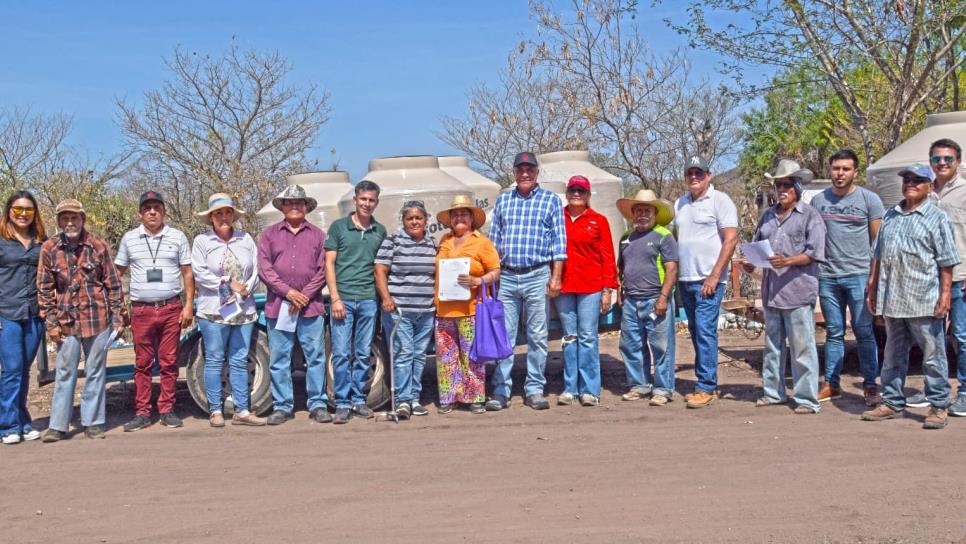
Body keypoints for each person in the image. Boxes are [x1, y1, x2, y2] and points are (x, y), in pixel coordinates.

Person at [862, 164, 959, 430]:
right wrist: (872, 286)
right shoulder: (891, 215)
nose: (910, 184)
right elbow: (878, 255)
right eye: (907, 180)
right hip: (894, 299)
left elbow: (947, 262)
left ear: (930, 186)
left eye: (918, 180)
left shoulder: (937, 218)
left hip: (924, 299)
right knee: (892, 355)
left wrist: (946, 294)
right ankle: (892, 402)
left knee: (932, 355)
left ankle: (938, 405)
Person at [743, 160, 826, 414]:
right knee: (773, 347)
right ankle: (773, 393)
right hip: (772, 291)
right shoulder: (767, 217)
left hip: (799, 291)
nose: (782, 189)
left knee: (803, 347)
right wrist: (751, 264)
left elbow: (815, 252)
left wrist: (788, 260)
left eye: (787, 185)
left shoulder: (811, 216)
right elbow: (758, 246)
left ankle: (806, 399)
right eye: (778, 184)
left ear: (797, 187)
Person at [487, 152, 567, 411]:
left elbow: (559, 243)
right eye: (520, 169)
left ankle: (534, 389)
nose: (525, 174)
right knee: (505, 337)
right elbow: (495, 242)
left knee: (537, 336)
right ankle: (501, 391)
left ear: (536, 173)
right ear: (514, 172)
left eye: (529, 169)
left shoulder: (550, 200)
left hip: (537, 274)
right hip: (507, 276)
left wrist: (555, 277)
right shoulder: (503, 201)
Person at [38, 199, 124, 442]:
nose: (70, 222)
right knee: (65, 372)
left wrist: (117, 318)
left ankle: (93, 422)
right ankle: (58, 425)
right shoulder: (50, 248)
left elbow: (114, 285)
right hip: (67, 322)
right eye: (64, 218)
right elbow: (44, 289)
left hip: (98, 321)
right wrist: (51, 323)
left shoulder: (98, 246)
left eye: (74, 217)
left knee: (96, 371)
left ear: (82, 219)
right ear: (58, 221)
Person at [115, 191, 194, 432]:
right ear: (140, 213)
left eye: (157, 207)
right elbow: (116, 274)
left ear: (164, 212)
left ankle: (167, 410)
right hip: (141, 311)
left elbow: (187, 272)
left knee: (169, 362)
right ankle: (141, 412)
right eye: (147, 208)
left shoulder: (177, 237)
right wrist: (120, 307)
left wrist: (188, 304)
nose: (152, 212)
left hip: (171, 308)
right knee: (143, 363)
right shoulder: (129, 239)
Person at [810, 150, 884, 406]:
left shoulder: (869, 200)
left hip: (859, 276)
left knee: (864, 332)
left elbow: (878, 243)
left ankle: (871, 385)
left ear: (855, 172)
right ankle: (832, 383)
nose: (840, 173)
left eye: (845, 169)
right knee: (834, 332)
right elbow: (812, 239)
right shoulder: (819, 201)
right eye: (836, 168)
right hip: (828, 277)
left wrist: (875, 279)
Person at [257, 185, 330, 425]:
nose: (295, 206)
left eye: (299, 202)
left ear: (307, 206)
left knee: (316, 357)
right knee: (279, 358)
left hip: (311, 308)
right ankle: (282, 405)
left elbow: (323, 271)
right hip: (279, 307)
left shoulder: (319, 235)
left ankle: (318, 403)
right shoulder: (269, 235)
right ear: (282, 207)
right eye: (290, 203)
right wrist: (289, 293)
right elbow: (265, 270)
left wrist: (304, 295)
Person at [192, 193, 266, 427]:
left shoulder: (245, 239)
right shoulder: (202, 242)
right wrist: (226, 284)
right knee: (214, 359)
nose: (224, 217)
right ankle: (215, 410)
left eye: (227, 213)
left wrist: (246, 288)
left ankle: (242, 409)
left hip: (243, 308)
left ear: (233, 215)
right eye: (218, 213)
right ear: (211, 217)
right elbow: (200, 273)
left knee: (239, 358)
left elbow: (257, 268)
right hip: (214, 309)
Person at [673, 154, 738, 408]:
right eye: (690, 173)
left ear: (709, 175)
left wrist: (714, 275)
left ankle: (706, 386)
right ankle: (706, 382)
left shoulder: (720, 201)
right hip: (686, 278)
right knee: (696, 331)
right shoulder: (680, 204)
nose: (694, 177)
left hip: (708, 279)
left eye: (699, 173)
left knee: (705, 331)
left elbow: (730, 239)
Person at [325, 180, 387, 424]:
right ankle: (341, 402)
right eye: (363, 199)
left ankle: (359, 400)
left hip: (369, 299)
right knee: (340, 353)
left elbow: (380, 266)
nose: (367, 204)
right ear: (355, 200)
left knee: (363, 352)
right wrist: (335, 298)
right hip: (344, 299)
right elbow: (329, 263)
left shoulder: (379, 231)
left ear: (376, 202)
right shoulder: (339, 227)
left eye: (371, 200)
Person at [433, 195, 500, 414]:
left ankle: (475, 397)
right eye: (455, 214)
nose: (459, 218)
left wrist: (478, 281)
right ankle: (449, 397)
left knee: (472, 355)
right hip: (444, 309)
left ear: (471, 218)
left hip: (471, 308)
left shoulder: (482, 242)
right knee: (446, 356)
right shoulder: (444, 240)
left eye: (463, 214)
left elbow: (495, 271)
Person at [555, 175, 618, 407]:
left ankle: (590, 389)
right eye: (572, 190)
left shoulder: (598, 220)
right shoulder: (557, 217)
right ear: (567, 192)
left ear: (588, 195)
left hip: (591, 286)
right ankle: (570, 387)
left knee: (588, 337)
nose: (576, 194)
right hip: (564, 287)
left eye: (581, 191)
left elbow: (607, 256)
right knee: (569, 338)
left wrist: (608, 289)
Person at [374, 200, 438, 419]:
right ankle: (402, 401)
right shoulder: (392, 241)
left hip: (426, 310)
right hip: (400, 311)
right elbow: (380, 270)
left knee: (420, 355)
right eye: (409, 218)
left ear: (425, 220)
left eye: (418, 218)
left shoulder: (432, 243)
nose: (414, 222)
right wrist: (386, 298)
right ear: (403, 220)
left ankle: (414, 399)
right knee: (404, 354)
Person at [615, 189, 678, 406]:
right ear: (632, 214)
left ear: (654, 213)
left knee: (661, 346)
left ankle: (663, 388)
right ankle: (639, 385)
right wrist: (620, 293)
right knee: (631, 345)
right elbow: (621, 269)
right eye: (638, 210)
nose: (642, 214)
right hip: (631, 300)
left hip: (655, 299)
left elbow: (671, 269)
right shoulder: (626, 239)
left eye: (646, 210)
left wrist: (663, 297)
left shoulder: (663, 236)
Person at [0, 191, 47, 444]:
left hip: (34, 313)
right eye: (18, 209)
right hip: (6, 313)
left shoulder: (41, 241)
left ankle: (23, 421)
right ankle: (7, 426)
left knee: (24, 371)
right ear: (9, 211)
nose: (23, 214)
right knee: (12, 370)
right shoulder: (1, 240)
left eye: (28, 209)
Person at [928, 138, 966, 416]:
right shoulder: (923, 191)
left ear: (959, 162)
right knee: (932, 337)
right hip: (928, 277)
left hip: (961, 274)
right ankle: (936, 390)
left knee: (963, 336)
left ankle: (964, 392)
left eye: (948, 159)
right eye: (937, 159)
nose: (942, 164)